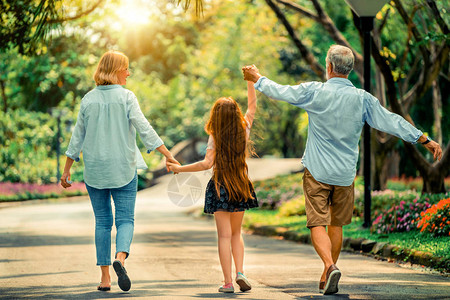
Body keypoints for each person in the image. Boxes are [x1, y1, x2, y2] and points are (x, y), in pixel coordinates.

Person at [242, 45, 442, 295]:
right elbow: (391, 121)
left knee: (317, 222)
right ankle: (328, 274)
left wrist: (257, 79)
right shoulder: (362, 98)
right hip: (345, 175)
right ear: (348, 70)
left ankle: (329, 265)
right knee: (336, 225)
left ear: (329, 67)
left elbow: (282, 92)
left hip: (317, 171)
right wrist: (423, 138)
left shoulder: (314, 91)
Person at [60, 50, 179, 292]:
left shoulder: (88, 100)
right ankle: (120, 258)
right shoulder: (126, 97)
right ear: (115, 70)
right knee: (125, 219)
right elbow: (144, 127)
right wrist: (168, 154)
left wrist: (66, 170)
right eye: (125, 68)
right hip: (124, 168)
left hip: (95, 171)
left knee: (102, 222)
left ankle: (105, 279)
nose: (129, 72)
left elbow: (77, 137)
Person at [167, 81, 259, 293]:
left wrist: (180, 170)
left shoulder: (215, 135)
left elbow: (206, 164)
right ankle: (240, 272)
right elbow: (252, 106)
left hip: (220, 186)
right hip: (241, 185)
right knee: (237, 234)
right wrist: (250, 81)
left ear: (216, 116)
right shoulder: (244, 127)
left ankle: (227, 283)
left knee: (224, 236)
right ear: (236, 113)